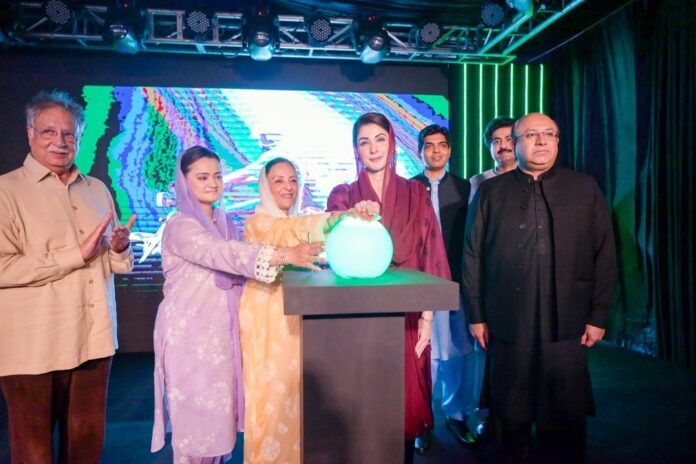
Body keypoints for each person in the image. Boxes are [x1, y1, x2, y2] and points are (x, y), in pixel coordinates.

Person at [150, 147, 325, 463]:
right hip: (189, 341)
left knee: (218, 431)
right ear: (184, 182)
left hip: (222, 338)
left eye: (217, 176)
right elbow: (221, 253)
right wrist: (283, 255)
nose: (213, 183)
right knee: (194, 434)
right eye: (202, 177)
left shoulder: (224, 221)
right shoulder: (180, 225)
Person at [463, 113, 617, 462]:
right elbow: (472, 255)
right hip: (507, 319)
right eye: (532, 135)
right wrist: (476, 314)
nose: (542, 140)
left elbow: (605, 253)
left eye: (550, 134)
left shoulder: (584, 188)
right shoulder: (490, 192)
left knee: (564, 416)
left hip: (568, 318)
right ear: (514, 143)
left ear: (558, 141)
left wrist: (599, 314)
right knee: (509, 414)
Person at [0, 90, 135, 463]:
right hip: (34, 347)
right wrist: (75, 255)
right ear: (30, 133)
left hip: (94, 340)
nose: (59, 142)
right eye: (48, 132)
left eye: (69, 134)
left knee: (86, 446)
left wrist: (120, 248)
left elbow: (116, 264)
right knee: (34, 452)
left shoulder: (97, 189)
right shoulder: (6, 191)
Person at [326, 112, 451, 464]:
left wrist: (427, 317)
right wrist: (351, 216)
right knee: (365, 403)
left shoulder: (415, 191)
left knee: (404, 405)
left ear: (392, 142)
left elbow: (430, 252)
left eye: (380, 139)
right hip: (360, 315)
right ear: (356, 149)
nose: (373, 148)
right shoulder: (343, 194)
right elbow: (332, 244)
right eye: (364, 142)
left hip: (408, 315)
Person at [239, 157, 373, 464]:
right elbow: (292, 231)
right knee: (270, 402)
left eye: (292, 180)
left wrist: (351, 221)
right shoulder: (258, 222)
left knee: (295, 400)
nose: (288, 187)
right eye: (278, 181)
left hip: (294, 317)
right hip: (266, 321)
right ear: (265, 186)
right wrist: (341, 217)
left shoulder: (292, 221)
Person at [411, 125, 478, 453]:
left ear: (450, 150)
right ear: (419, 151)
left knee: (458, 350)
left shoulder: (465, 188)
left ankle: (457, 415)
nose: (436, 151)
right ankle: (421, 421)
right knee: (423, 354)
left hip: (456, 281)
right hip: (419, 282)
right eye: (429, 145)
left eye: (442, 145)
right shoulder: (409, 188)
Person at [469, 117, 517, 200]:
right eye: (496, 141)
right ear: (489, 147)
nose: (503, 145)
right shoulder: (478, 180)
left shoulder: (533, 176)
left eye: (509, 139)